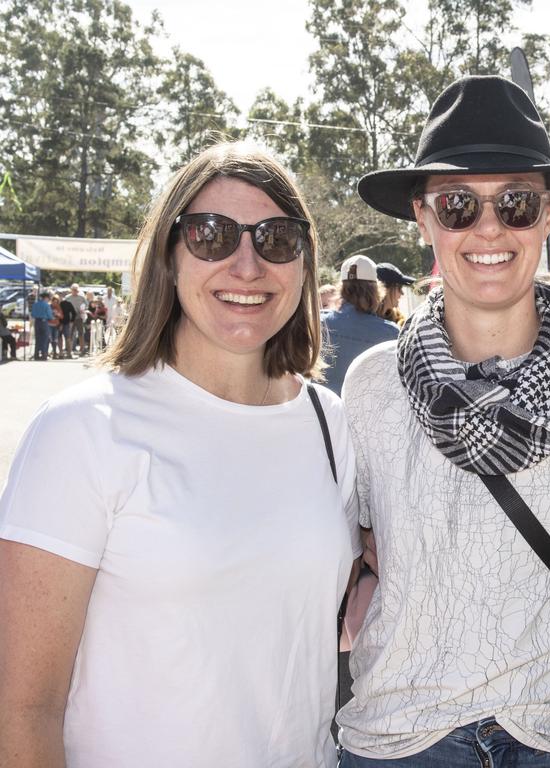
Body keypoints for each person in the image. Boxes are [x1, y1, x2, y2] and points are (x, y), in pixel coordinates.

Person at [0, 142, 361, 767]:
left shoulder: (331, 424)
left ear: (303, 264)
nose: (246, 265)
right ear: (168, 257)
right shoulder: (85, 429)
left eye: (276, 238)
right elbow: (23, 710)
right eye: (212, 235)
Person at [339, 75, 550, 767]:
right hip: (403, 732)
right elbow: (352, 550)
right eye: (456, 206)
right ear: (423, 218)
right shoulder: (372, 387)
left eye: (516, 203)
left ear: (549, 213)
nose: (489, 229)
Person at [321, 254, 399, 395]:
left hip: (324, 414)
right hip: (369, 414)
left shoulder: (319, 323)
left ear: (342, 289)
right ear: (376, 291)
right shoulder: (391, 333)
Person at [375, 261, 416, 326]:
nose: (402, 293)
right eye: (399, 287)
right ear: (384, 288)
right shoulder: (368, 322)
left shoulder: (400, 322)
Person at [66, 283, 88, 354]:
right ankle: (69, 350)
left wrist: (83, 309)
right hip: (70, 318)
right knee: (70, 334)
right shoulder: (67, 298)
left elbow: (86, 305)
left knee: (81, 333)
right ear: (71, 290)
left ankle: (82, 349)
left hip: (79, 317)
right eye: (74, 290)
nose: (75, 291)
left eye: (76, 290)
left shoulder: (81, 298)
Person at [30, 290, 52, 360]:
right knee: (45, 339)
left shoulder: (35, 304)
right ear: (46, 298)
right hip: (44, 321)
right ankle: (44, 355)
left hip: (37, 322)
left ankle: (36, 355)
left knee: (37, 339)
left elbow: (32, 314)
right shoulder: (46, 305)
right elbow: (50, 316)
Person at [59, 291, 77, 358]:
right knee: (59, 338)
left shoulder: (68, 303)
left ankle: (69, 353)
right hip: (58, 323)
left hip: (66, 323)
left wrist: (71, 321)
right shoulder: (57, 303)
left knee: (68, 338)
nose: (62, 297)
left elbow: (74, 313)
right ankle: (60, 353)